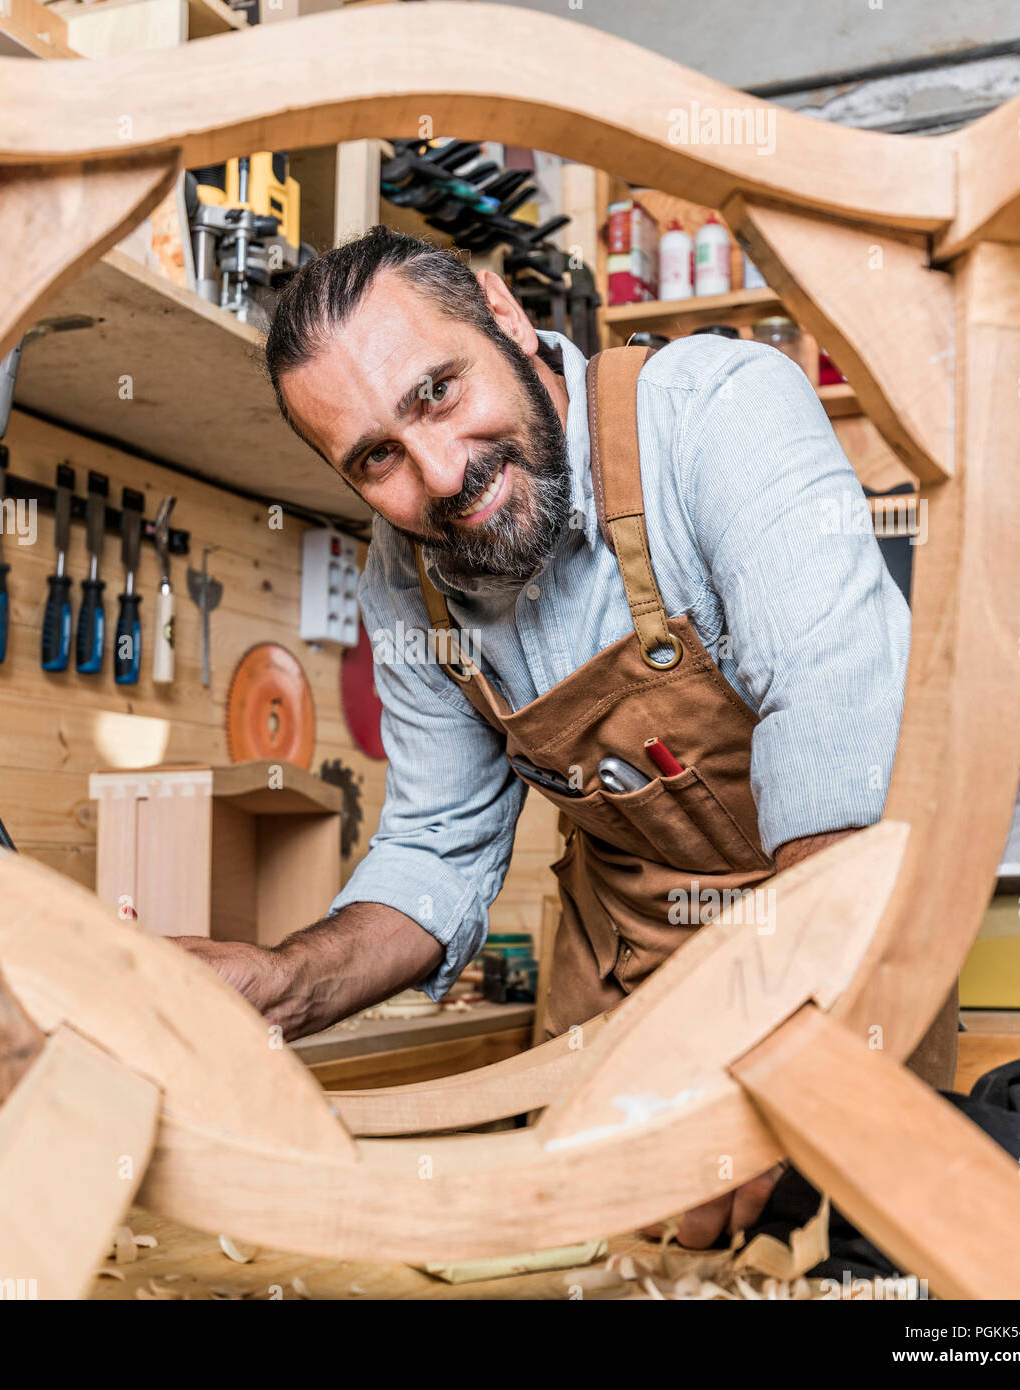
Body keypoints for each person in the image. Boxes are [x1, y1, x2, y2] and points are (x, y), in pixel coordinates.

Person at [177, 226, 921, 1247]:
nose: (439, 474)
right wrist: (287, 985)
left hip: (836, 937)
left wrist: (764, 1042)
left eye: (435, 391)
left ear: (505, 314)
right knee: (598, 1264)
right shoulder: (406, 574)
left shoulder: (719, 412)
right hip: (620, 976)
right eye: (375, 458)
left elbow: (840, 743)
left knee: (881, 1253)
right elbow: (436, 848)